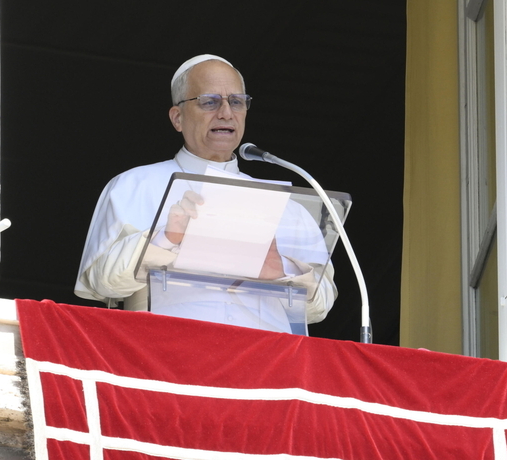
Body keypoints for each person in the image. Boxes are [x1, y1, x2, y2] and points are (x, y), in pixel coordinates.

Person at [74, 54, 336, 333]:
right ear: (177, 118)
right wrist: (166, 239)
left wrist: (281, 271)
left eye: (236, 102)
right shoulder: (134, 185)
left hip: (268, 356)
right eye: (209, 102)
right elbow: (100, 284)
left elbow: (320, 308)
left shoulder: (288, 207)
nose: (226, 113)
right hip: (168, 349)